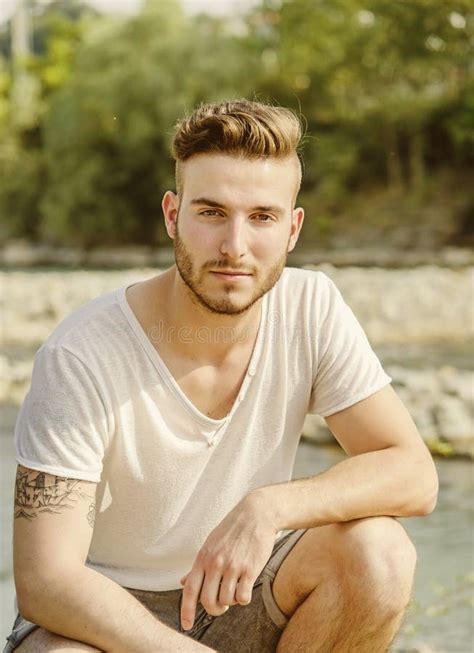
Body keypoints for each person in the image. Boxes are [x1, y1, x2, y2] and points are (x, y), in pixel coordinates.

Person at [5, 99, 438, 653]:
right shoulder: (83, 355)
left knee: (380, 553)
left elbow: (414, 476)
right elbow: (47, 581)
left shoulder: (311, 307)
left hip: (242, 597)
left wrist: (270, 506)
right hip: (103, 620)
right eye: (211, 213)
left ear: (293, 228)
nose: (235, 246)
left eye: (262, 217)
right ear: (171, 215)